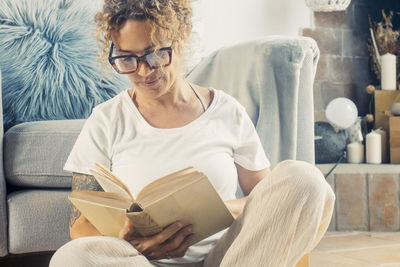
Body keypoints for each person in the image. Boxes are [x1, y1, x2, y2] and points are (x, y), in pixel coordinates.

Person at [50, 0, 335, 266]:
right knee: (70, 258)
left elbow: (267, 200)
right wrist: (132, 244)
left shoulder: (227, 111)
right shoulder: (106, 119)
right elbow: (79, 225)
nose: (144, 71)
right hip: (140, 261)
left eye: (156, 54)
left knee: (305, 180)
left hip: (227, 258)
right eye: (127, 59)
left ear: (181, 39)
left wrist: (211, 211)